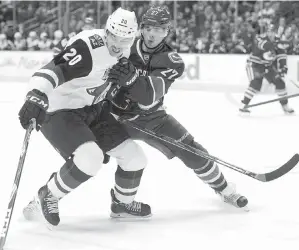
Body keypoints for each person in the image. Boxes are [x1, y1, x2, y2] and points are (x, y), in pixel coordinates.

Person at [104, 6, 248, 210]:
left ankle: (224, 189)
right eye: (148, 28)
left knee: (194, 151)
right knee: (85, 151)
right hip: (115, 117)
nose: (152, 33)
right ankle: (52, 194)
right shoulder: (125, 45)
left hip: (152, 118)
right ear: (141, 28)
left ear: (167, 31)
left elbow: (148, 98)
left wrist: (131, 81)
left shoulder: (172, 61)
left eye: (159, 29)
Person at [20, 8, 151, 228]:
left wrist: (120, 97)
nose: (118, 44)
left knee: (135, 158)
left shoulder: (124, 51)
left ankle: (122, 203)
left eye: (126, 39)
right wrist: (36, 94)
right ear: (107, 31)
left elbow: (104, 82)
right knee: (90, 159)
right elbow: (52, 70)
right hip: (60, 110)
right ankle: (48, 194)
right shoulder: (89, 46)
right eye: (115, 37)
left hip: (92, 109)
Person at [239, 24, 294, 114]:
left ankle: (285, 106)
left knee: (280, 83)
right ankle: (244, 105)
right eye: (269, 31)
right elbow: (263, 46)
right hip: (254, 64)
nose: (271, 34)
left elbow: (281, 56)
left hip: (267, 67)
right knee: (256, 82)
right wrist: (275, 44)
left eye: (273, 32)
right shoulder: (261, 39)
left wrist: (284, 67)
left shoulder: (278, 43)